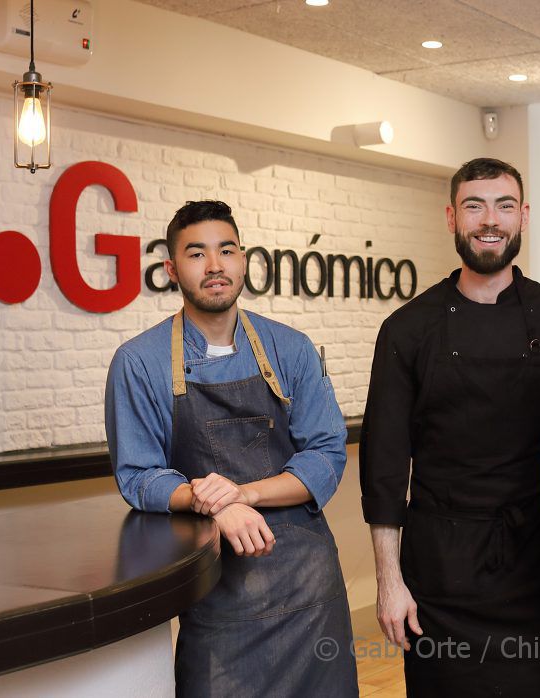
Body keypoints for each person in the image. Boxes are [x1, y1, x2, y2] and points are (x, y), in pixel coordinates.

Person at [360, 158, 540, 697]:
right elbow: (384, 469)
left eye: (504, 205)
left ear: (523, 217)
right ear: (451, 217)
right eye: (474, 205)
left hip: (532, 560)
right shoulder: (407, 329)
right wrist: (389, 582)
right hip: (436, 567)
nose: (489, 219)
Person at [105, 200, 358, 697]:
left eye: (227, 250)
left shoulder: (291, 348)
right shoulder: (139, 362)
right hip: (218, 596)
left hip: (309, 589)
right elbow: (138, 474)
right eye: (197, 254)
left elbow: (326, 453)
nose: (215, 265)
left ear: (244, 260)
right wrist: (205, 498)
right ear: (171, 270)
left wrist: (238, 496)